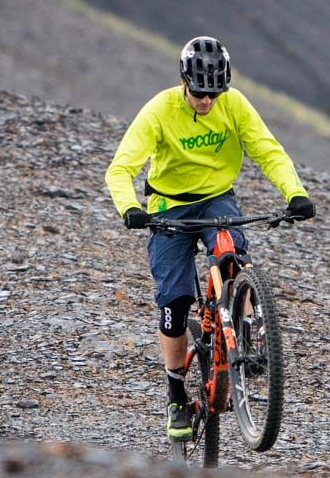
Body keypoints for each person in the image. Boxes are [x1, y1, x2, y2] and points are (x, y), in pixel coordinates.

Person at [105, 35, 315, 439]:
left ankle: (244, 331)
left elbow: (268, 151)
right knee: (174, 300)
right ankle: (175, 395)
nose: (206, 101)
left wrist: (295, 193)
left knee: (232, 254)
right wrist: (130, 208)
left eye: (214, 94)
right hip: (168, 206)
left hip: (217, 199)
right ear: (184, 81)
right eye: (199, 93)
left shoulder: (234, 104)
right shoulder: (160, 110)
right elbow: (120, 168)